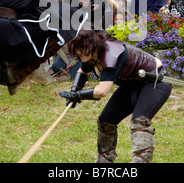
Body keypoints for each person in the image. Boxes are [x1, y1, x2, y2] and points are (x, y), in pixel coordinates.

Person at [58, 29, 171, 163]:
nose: (80, 52)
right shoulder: (90, 55)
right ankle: (104, 160)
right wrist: (74, 90)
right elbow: (83, 71)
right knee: (106, 120)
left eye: (83, 47)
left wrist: (77, 95)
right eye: (77, 48)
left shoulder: (110, 54)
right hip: (131, 83)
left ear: (93, 44)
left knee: (139, 122)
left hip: (155, 82)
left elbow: (101, 91)